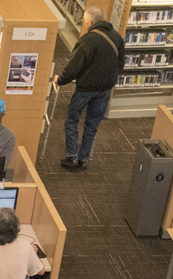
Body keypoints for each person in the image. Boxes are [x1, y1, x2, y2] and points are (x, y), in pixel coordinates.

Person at [53, 6, 124, 171]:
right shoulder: (117, 38)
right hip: (105, 89)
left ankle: (71, 156)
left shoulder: (87, 41)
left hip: (85, 89)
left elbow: (73, 67)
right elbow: (120, 64)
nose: (83, 23)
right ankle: (84, 159)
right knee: (92, 125)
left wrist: (60, 80)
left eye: (84, 20)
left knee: (72, 120)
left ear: (90, 22)